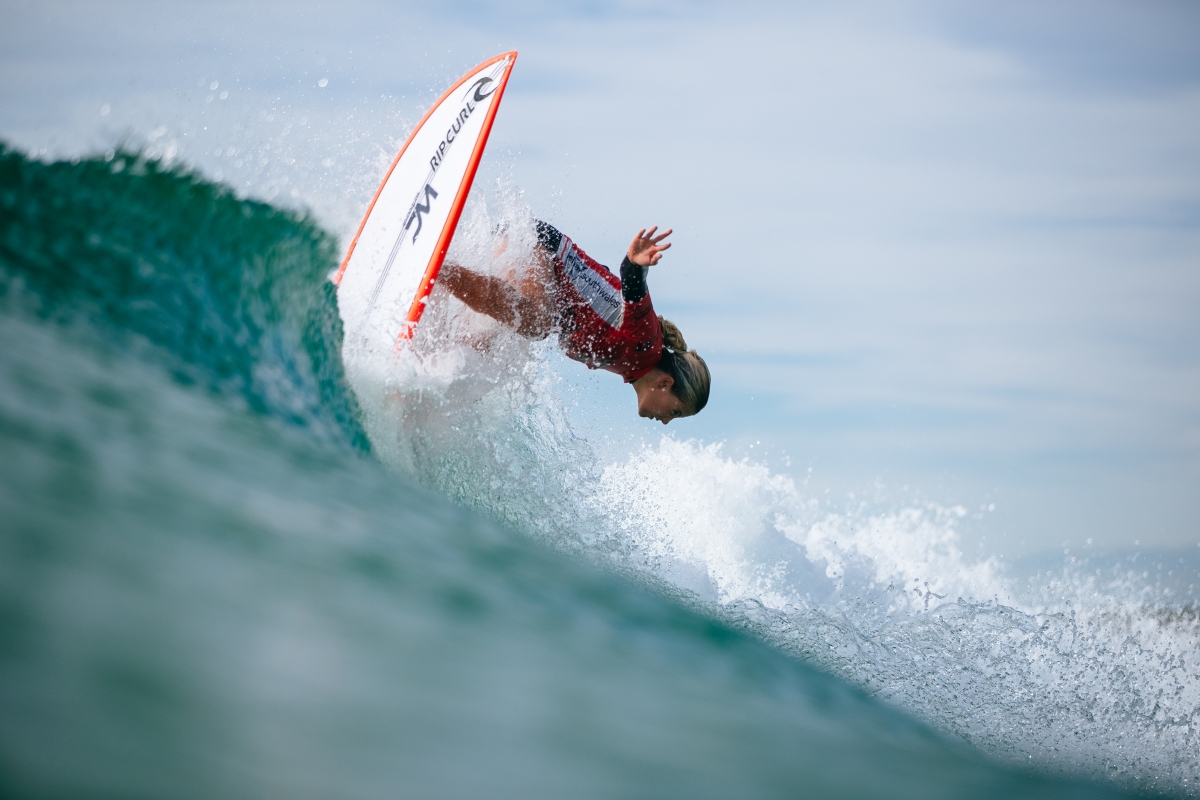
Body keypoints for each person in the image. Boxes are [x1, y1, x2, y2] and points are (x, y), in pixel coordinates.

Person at [438, 222, 710, 424]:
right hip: (536, 245)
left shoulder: (633, 365)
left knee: (474, 359)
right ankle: (438, 269)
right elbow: (633, 288)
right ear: (665, 384)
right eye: (675, 412)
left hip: (531, 258)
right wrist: (635, 264)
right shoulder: (646, 345)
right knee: (536, 324)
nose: (665, 421)